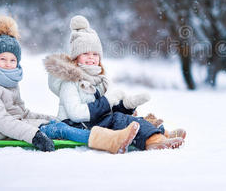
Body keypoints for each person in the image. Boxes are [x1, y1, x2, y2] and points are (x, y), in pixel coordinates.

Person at [0, 15, 140, 154]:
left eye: (12, 60)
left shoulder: (8, 83)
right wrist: (34, 135)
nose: (8, 64)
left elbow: (23, 113)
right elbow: (2, 121)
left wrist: (49, 118)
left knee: (58, 124)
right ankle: (108, 140)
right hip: (2, 131)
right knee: (62, 129)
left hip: (20, 124)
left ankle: (122, 134)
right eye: (2, 59)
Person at [44, 15, 185, 150]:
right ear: (76, 58)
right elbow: (76, 113)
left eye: (95, 54)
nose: (91, 58)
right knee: (118, 120)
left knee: (126, 116)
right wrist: (106, 101)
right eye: (85, 54)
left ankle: (160, 133)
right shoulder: (70, 82)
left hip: (93, 121)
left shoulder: (100, 79)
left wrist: (127, 105)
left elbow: (108, 108)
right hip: (75, 126)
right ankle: (153, 141)